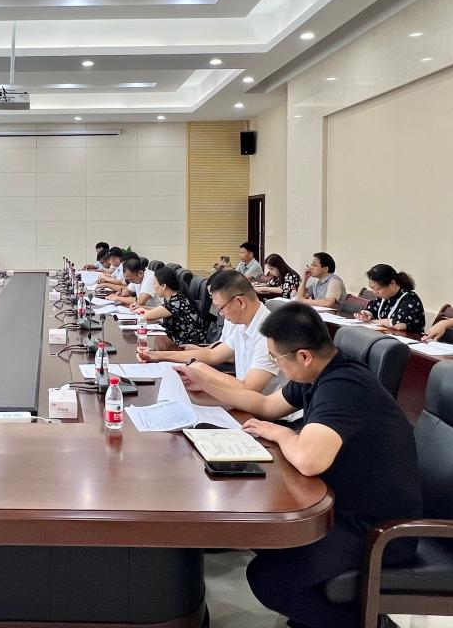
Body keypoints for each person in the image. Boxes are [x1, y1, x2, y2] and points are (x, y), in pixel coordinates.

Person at [240, 303, 421, 628]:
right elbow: (267, 406)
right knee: (266, 539)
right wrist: (202, 379)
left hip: (380, 531)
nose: (277, 367)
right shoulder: (319, 372)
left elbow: (309, 461)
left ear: (303, 356)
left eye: (277, 359)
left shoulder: (343, 386)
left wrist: (281, 433)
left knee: (270, 579)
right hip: (346, 508)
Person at [140, 271, 285, 396]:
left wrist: (200, 370)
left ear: (240, 302)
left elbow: (249, 388)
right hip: (242, 401)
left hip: (264, 413)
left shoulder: (269, 333)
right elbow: (212, 355)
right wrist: (158, 355)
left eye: (220, 308)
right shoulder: (244, 324)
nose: (221, 314)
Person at [130, 266, 204, 345]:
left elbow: (146, 315)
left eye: (155, 284)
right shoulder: (173, 297)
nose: (154, 287)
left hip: (188, 344)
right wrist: (142, 307)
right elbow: (160, 310)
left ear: (164, 286)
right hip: (176, 340)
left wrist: (138, 310)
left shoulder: (176, 301)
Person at [355, 264, 426, 334]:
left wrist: (374, 321)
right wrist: (367, 315)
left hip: (410, 338)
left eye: (378, 289)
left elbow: (400, 324)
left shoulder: (410, 298)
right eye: (372, 288)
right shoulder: (384, 297)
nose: (375, 292)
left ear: (392, 283)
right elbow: (373, 309)